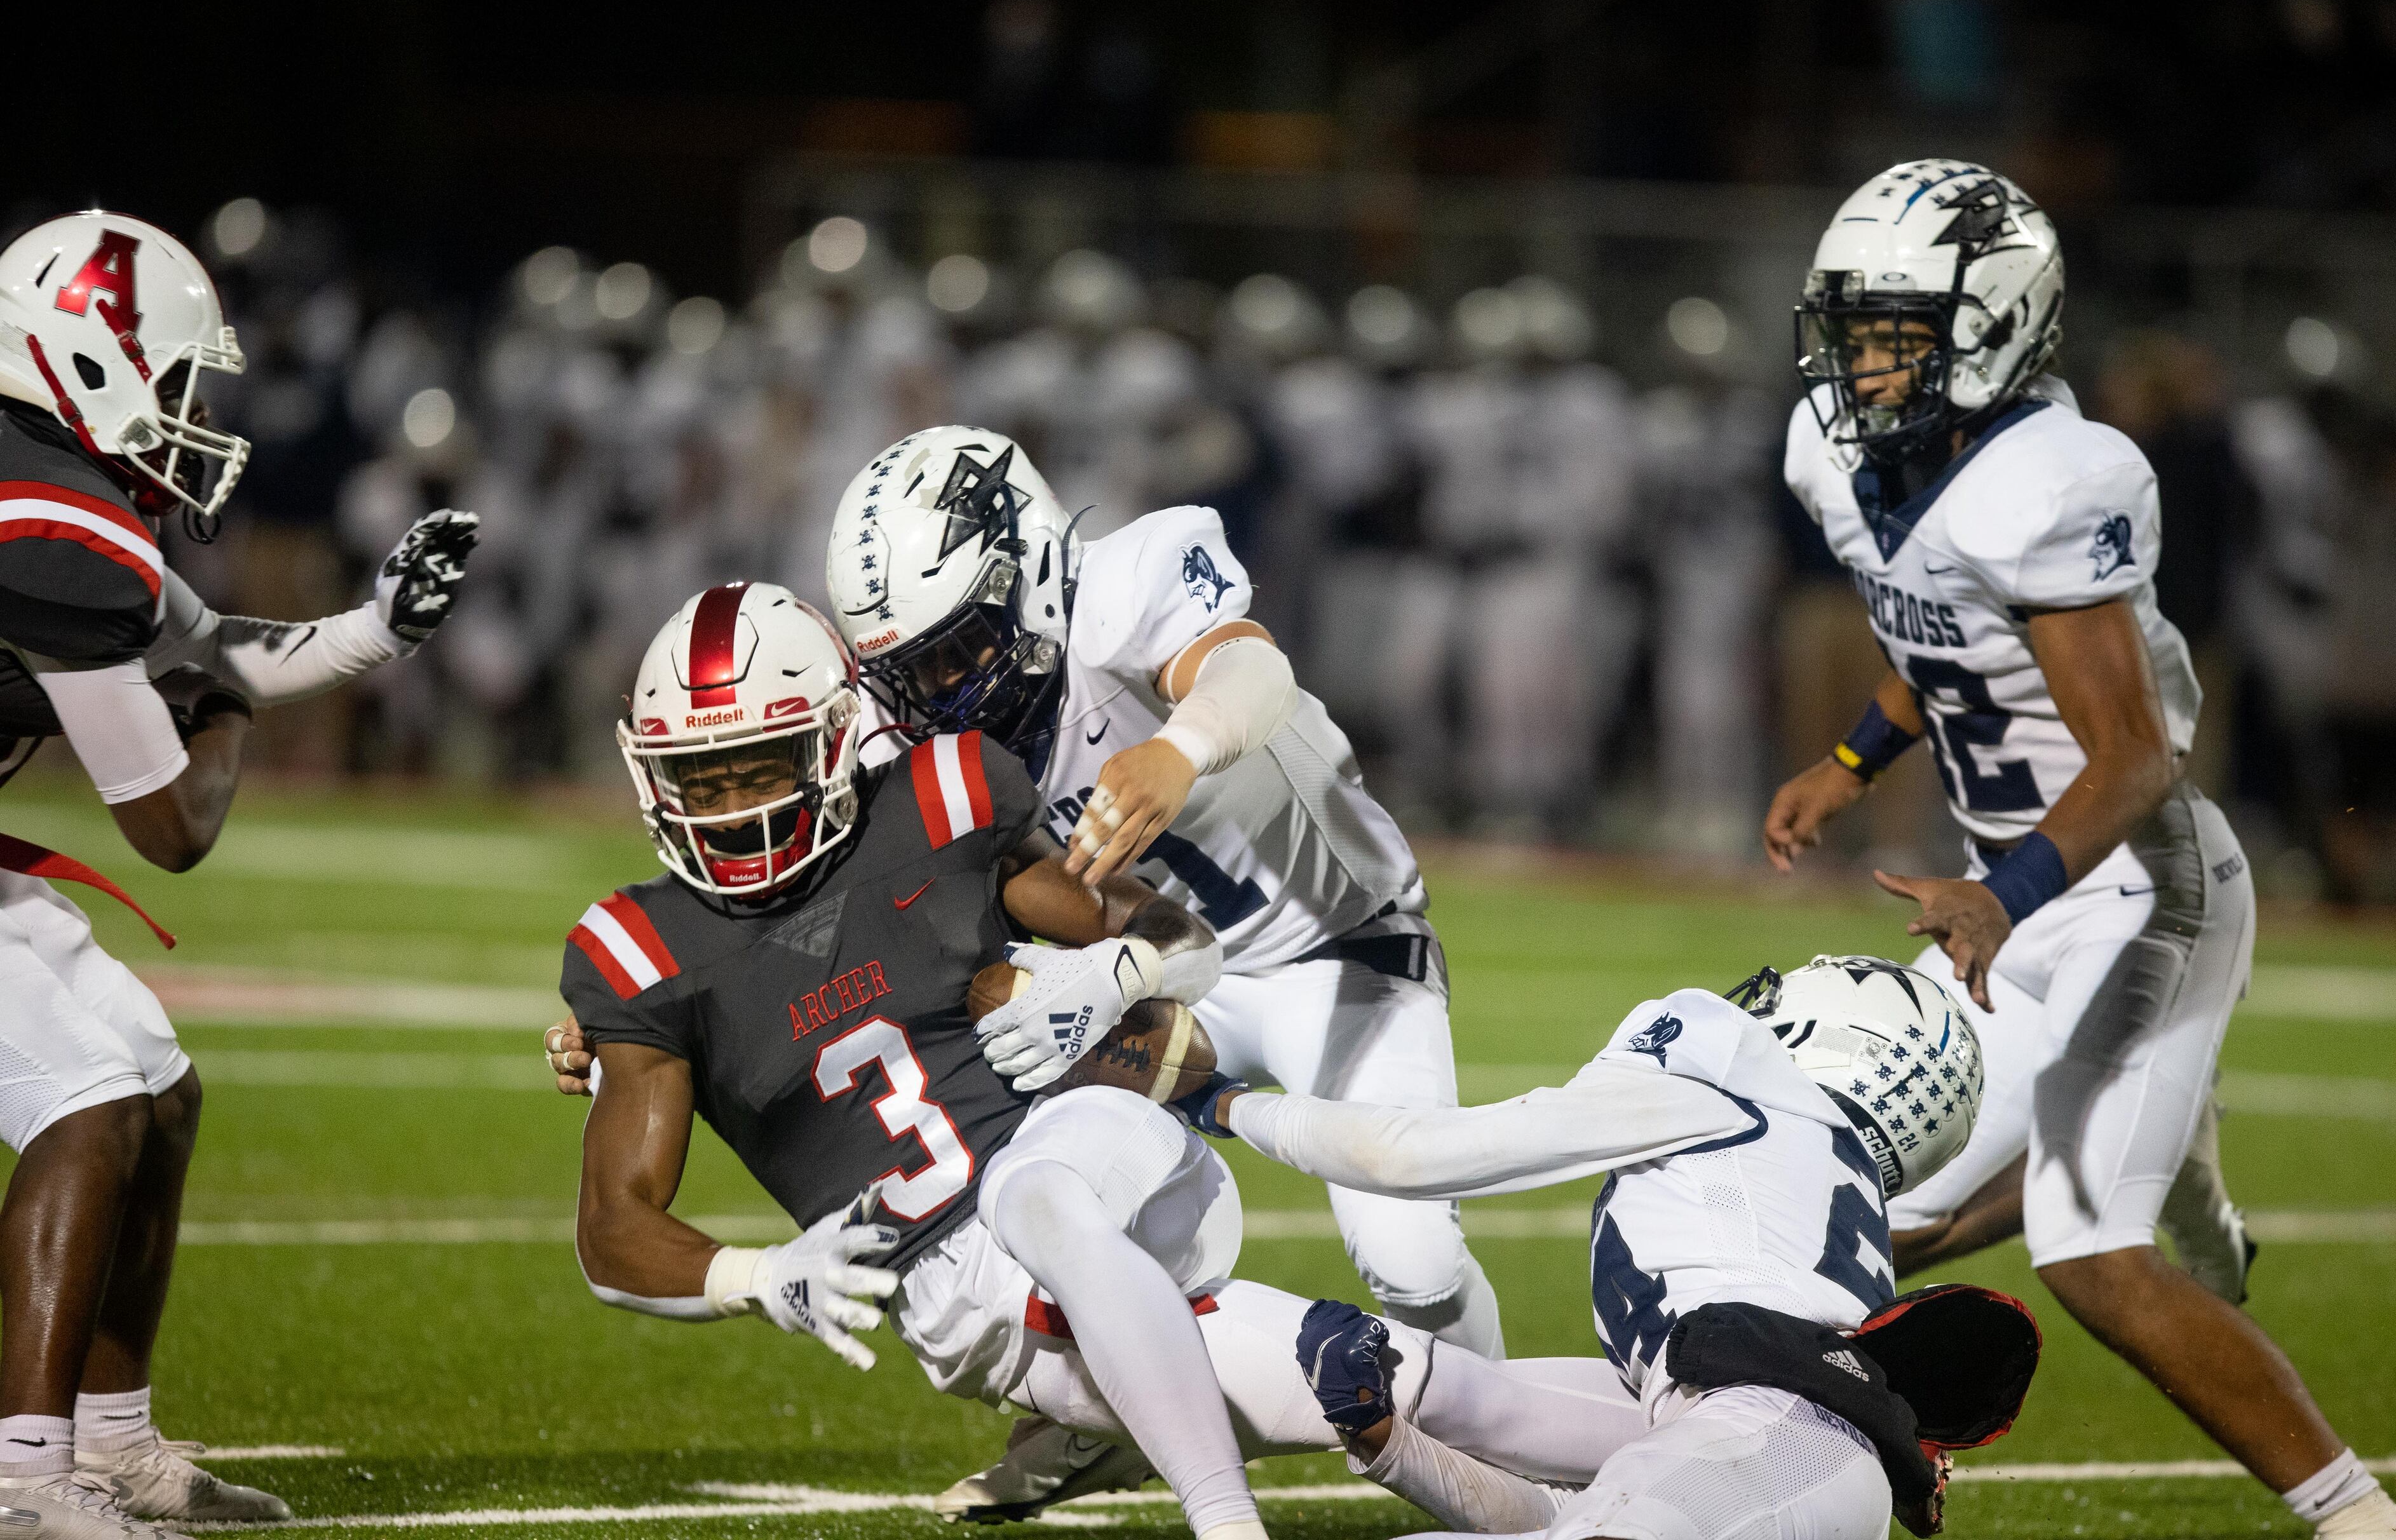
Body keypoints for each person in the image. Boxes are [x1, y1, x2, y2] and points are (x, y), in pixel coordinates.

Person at [561, 583, 1648, 1540]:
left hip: (1093, 1154)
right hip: (966, 1299)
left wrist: (1121, 970)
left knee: (1038, 1190)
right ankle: (1724, 1433)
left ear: (840, 735)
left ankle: (1223, 1524)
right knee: (1403, 1385)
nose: (735, 811)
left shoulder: (942, 802)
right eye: (699, 782)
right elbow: (613, 1229)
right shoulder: (642, 956)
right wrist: (754, 1277)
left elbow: (1186, 941)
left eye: (759, 769)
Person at [1762, 161, 2396, 1540]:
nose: (1862, 357)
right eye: (1856, 323)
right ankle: (2154, 1132)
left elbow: (2136, 754)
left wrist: (1999, 893)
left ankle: (2363, 1516)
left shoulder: (2049, 481)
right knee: (1886, 1225)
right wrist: (1846, 762)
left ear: (1993, 322)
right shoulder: (1857, 460)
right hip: (2027, 892)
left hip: (2139, 888)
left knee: (2088, 1252)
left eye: (1897, 327)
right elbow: (1936, 640)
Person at [0, 212, 477, 1540]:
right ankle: (25, 1481)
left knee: (154, 1074)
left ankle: (111, 1443)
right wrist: (224, 716)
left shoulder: (46, 481)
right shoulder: (45, 519)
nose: (186, 410)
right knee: (85, 1099)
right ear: (83, 362)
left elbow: (212, 647)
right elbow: (169, 821)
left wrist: (378, 627)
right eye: (167, 377)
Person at [1191, 956, 2015, 1540]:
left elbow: (1402, 1154)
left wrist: (1220, 1103)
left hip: (1773, 1442)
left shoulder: (1736, 1090)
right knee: (1418, 1377)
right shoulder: (1814, 1196)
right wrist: (1391, 1446)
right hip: (1788, 1455)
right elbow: (1550, 1501)